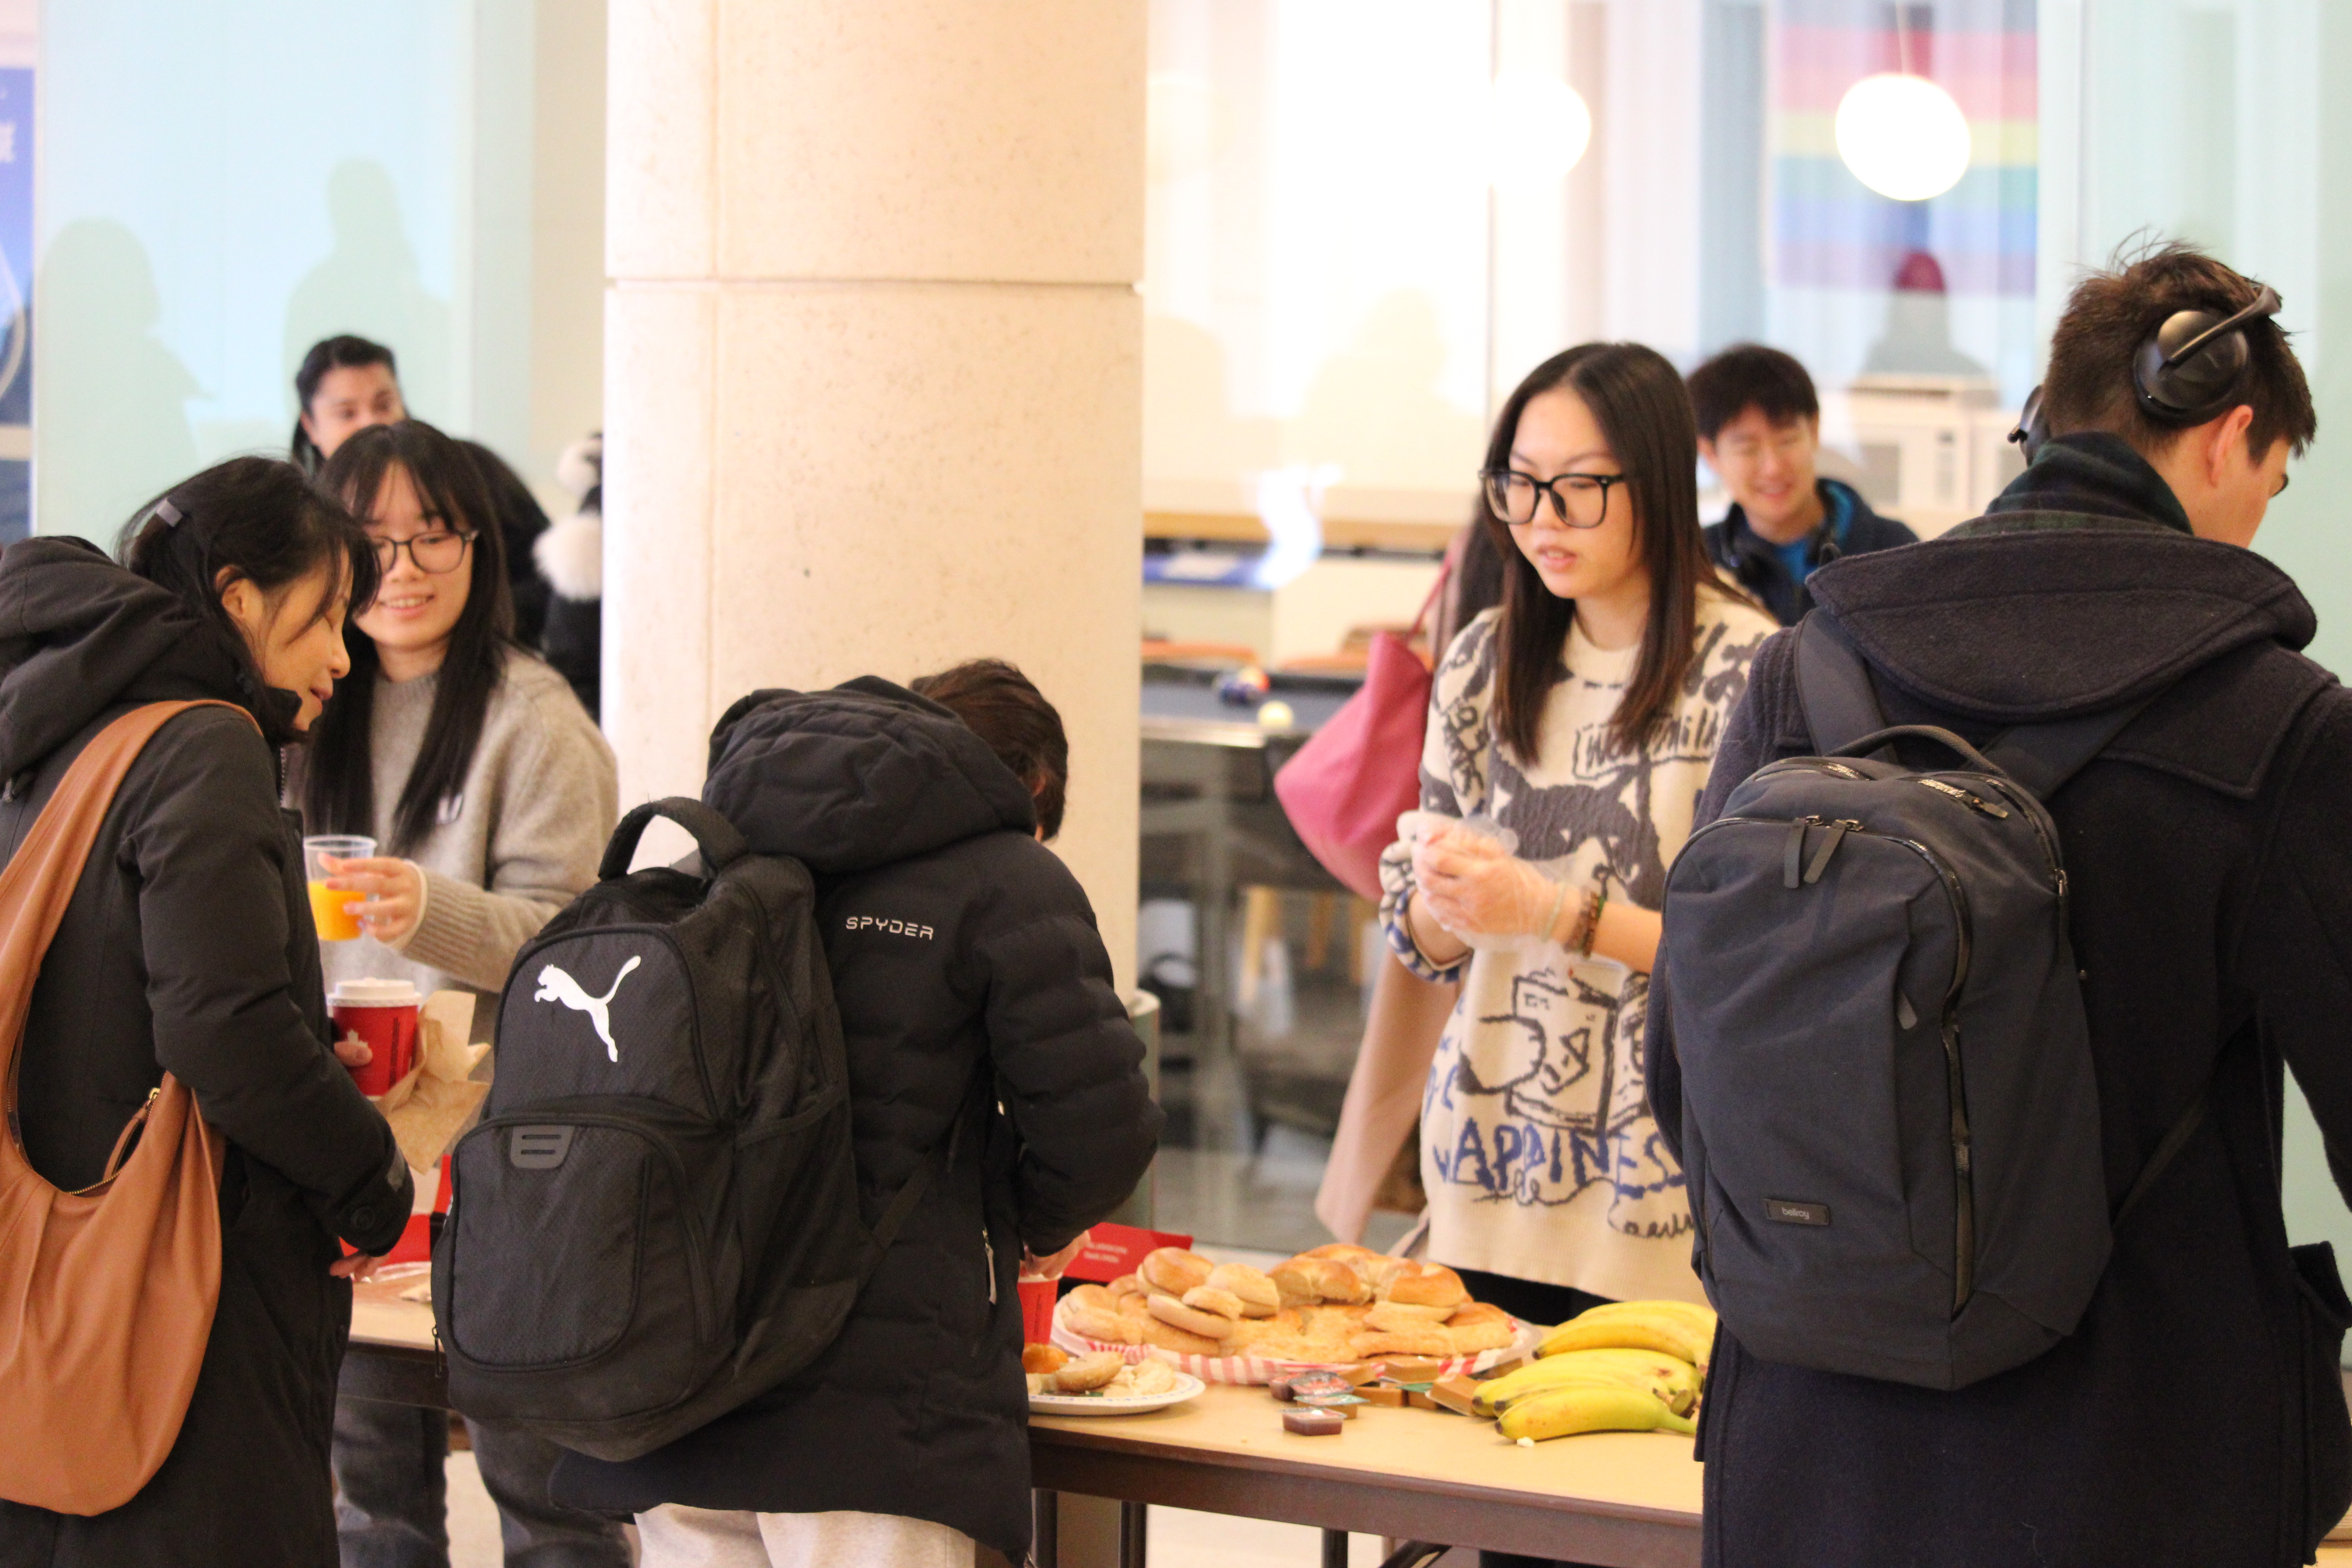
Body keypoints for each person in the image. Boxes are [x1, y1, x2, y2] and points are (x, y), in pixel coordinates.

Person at [1647, 243, 2349, 1564]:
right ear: (2228, 436)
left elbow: (1686, 1072)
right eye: (2273, 476)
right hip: (2144, 1472)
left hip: (1813, 1460)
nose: (2262, 508)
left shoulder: (1808, 675)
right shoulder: (2282, 730)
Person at [548, 667, 1162, 1568]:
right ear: (1030, 790)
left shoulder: (700, 860)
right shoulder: (1007, 878)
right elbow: (1102, 1129)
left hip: (673, 1380)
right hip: (884, 1411)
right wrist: (1027, 1225)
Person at [0, 459, 412, 1566]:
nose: (341, 655)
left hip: (47, 1285)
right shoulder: (205, 742)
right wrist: (369, 1179)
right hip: (180, 1301)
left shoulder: (52, 738)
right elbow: (223, 1031)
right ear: (238, 596)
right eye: (326, 615)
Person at [1378, 339, 1777, 1336]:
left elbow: (1757, 956)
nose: (1542, 520)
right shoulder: (1481, 658)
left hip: (1666, 1204)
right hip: (1485, 1182)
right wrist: (1444, 895)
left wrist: (1552, 910)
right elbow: (1417, 946)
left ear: (1659, 481)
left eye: (1580, 489)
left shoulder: (1752, 669)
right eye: (1519, 486)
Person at [288, 418, 623, 1568]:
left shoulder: (535, 721)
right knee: (370, 1497)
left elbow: (580, 948)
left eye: (435, 535)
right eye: (372, 540)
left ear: (481, 550)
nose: (404, 568)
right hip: (347, 1149)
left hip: (508, 1166)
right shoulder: (297, 708)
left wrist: (425, 906)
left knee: (548, 1495)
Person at [290, 334, 552, 645]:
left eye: (384, 404)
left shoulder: (471, 471)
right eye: (347, 413)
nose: (371, 422)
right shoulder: (303, 515)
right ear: (311, 426)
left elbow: (551, 575)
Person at [1688, 343, 1916, 624]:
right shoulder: (1697, 565)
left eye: (1787, 440)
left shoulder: (1894, 551)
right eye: (1747, 449)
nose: (1773, 468)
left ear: (1815, 430)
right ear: (1710, 454)